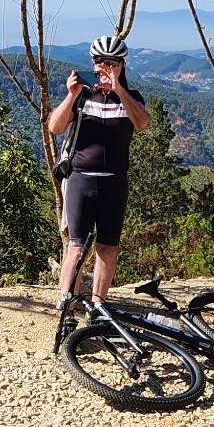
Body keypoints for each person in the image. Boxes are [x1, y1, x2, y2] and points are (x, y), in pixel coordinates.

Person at [46, 35, 150, 318]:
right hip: (81, 180)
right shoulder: (83, 95)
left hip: (115, 181)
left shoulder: (132, 98)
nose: (104, 66)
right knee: (76, 246)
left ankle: (99, 306)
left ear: (121, 65)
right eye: (99, 61)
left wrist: (119, 90)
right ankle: (67, 307)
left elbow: (142, 123)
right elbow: (54, 127)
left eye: (111, 62)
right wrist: (71, 94)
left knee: (108, 247)